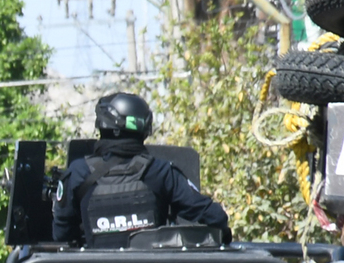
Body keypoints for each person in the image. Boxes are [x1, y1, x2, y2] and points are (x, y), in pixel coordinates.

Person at [53, 91, 229, 246]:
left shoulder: (78, 173)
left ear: (103, 127)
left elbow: (61, 235)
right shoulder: (160, 172)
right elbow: (215, 217)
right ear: (143, 131)